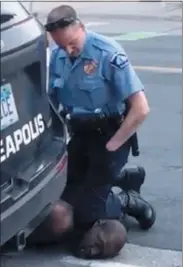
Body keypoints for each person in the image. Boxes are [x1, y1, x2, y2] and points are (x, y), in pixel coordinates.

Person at [39, 4, 156, 258]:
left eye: (72, 44)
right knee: (64, 198)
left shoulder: (107, 53)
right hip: (80, 136)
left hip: (110, 135)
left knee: (85, 212)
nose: (68, 51)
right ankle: (119, 178)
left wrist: (114, 145)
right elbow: (51, 102)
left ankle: (127, 199)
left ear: (80, 27)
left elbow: (141, 109)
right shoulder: (58, 56)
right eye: (61, 45)